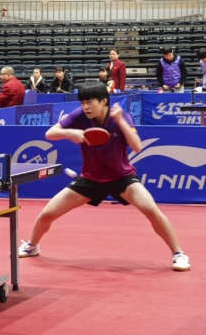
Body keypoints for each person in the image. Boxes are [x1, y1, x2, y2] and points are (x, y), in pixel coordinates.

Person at [18, 81, 190, 273]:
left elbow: (137, 146)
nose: (85, 107)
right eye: (83, 102)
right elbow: (50, 133)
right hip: (90, 179)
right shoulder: (80, 115)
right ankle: (32, 246)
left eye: (90, 102)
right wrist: (69, 132)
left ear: (103, 101)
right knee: (48, 214)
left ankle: (179, 253)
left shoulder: (121, 116)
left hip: (122, 178)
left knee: (151, 209)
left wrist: (120, 121)